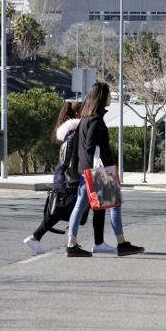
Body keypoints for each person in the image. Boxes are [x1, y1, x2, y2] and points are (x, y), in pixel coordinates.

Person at [23, 101, 116, 255]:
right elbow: (76, 157)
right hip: (77, 176)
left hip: (72, 176)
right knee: (67, 210)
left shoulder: (70, 132)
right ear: (78, 114)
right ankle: (40, 238)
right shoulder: (76, 133)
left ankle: (36, 237)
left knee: (79, 209)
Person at [65, 82, 144, 258]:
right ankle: (122, 244)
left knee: (79, 207)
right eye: (108, 95)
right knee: (115, 206)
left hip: (86, 171)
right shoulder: (96, 120)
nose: (110, 98)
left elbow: (81, 147)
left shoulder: (85, 119)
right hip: (100, 171)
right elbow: (90, 147)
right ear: (101, 98)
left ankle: (71, 245)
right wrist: (104, 171)